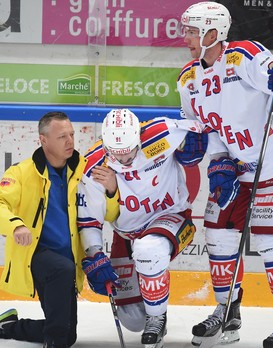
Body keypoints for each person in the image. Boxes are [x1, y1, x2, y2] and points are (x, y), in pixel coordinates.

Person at [177, 2, 273, 348]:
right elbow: (211, 130)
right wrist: (220, 162)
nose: (186, 37)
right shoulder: (188, 81)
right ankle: (227, 310)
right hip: (238, 167)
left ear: (213, 33)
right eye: (186, 30)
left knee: (271, 241)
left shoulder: (246, 56)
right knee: (218, 235)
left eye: (193, 31)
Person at [0, 111, 103, 348]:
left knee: (66, 336)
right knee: (62, 272)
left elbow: (108, 211)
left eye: (71, 134)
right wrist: (16, 225)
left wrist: (111, 190)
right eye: (62, 136)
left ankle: (7, 327)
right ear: (43, 140)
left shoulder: (84, 170)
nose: (70, 141)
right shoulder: (21, 173)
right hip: (36, 254)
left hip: (68, 259)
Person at [77, 108, 207, 348]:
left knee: (149, 249)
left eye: (128, 153)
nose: (124, 161)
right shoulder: (94, 166)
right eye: (116, 155)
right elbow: (89, 220)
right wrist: (94, 252)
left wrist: (197, 147)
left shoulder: (160, 134)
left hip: (170, 216)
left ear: (139, 137)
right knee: (134, 320)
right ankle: (154, 308)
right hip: (126, 233)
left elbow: (200, 123)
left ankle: (157, 319)